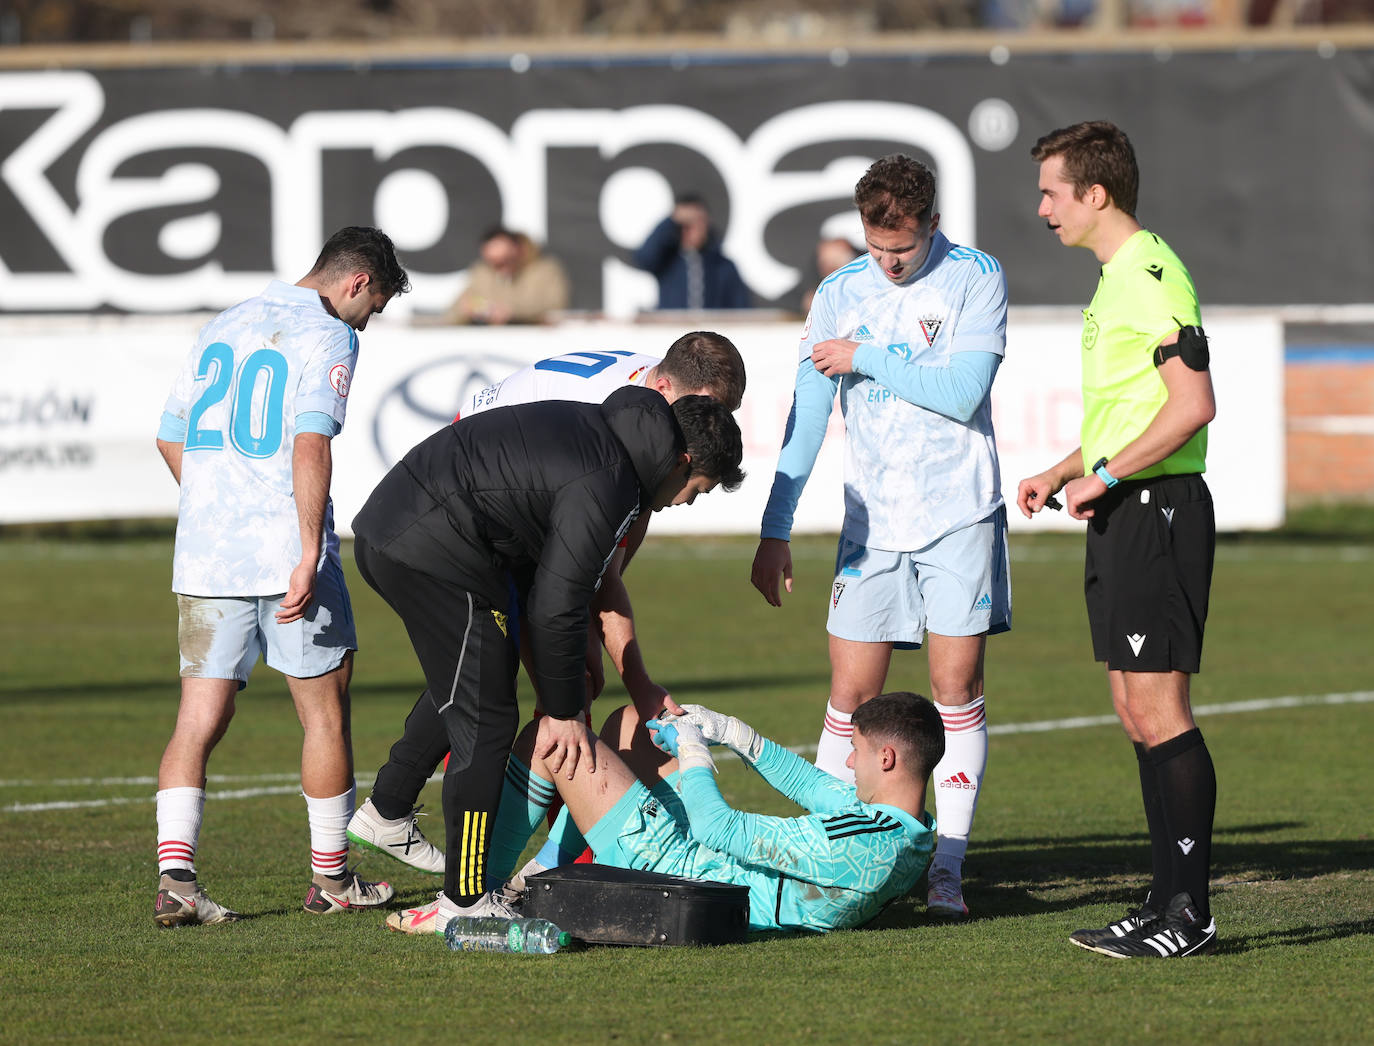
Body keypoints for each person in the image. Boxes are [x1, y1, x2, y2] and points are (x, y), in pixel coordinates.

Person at [345, 332, 747, 875]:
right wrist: (568, 709)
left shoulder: (639, 432)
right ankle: (478, 891)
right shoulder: (616, 471)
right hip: (443, 527)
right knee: (504, 710)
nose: (687, 503)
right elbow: (567, 596)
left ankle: (398, 813)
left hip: (445, 514)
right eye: (695, 489)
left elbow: (591, 579)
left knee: (495, 680)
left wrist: (613, 690)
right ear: (667, 392)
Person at [750, 154, 1010, 919]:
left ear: (932, 224)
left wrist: (868, 356)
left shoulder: (974, 277)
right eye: (875, 248)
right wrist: (775, 526)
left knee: (954, 689)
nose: (889, 265)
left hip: (959, 511)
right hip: (872, 524)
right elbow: (806, 416)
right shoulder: (839, 293)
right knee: (849, 698)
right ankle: (832, 855)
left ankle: (947, 871)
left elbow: (963, 394)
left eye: (901, 249)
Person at [151, 226, 411, 927]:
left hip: (208, 554)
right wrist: (305, 551)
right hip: (285, 552)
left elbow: (169, 435)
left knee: (197, 719)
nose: (369, 321)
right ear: (356, 283)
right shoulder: (329, 335)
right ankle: (331, 880)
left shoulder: (222, 324)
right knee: (323, 714)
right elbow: (310, 442)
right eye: (375, 307)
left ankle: (176, 881)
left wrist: (215, 509)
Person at [1017, 121, 1218, 958]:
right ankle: (1161, 899)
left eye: (1051, 193)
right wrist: (1066, 467)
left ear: (1095, 195)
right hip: (1121, 508)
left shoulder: (1152, 276)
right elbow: (1128, 414)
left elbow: (1192, 405)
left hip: (1159, 509)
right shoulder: (1114, 279)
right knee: (1132, 709)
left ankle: (1192, 916)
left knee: (1160, 708)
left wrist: (1108, 476)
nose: (1041, 210)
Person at [451, 691, 942, 937]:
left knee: (551, 739)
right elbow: (810, 784)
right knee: (628, 723)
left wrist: (693, 749)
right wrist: (730, 730)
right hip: (707, 866)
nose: (849, 762)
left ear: (887, 759)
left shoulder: (864, 843)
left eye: (856, 750)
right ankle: (531, 877)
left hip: (679, 872)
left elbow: (718, 827)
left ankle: (474, 898)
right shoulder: (909, 825)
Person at [632, 194, 752, 311]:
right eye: (685, 224)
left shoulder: (723, 266)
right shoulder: (668, 261)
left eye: (698, 222)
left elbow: (741, 308)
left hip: (712, 329)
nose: (692, 229)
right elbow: (643, 258)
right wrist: (671, 220)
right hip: (673, 330)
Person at [441, 227, 569, 325]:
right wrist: (466, 310)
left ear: (520, 249)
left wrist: (512, 312)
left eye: (506, 260)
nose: (501, 268)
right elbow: (455, 310)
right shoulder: (483, 273)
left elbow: (555, 304)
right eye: (495, 263)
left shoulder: (545, 270)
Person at [800, 236, 863, 314]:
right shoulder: (815, 272)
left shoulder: (871, 266)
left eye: (835, 260)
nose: (830, 266)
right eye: (824, 263)